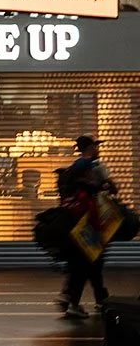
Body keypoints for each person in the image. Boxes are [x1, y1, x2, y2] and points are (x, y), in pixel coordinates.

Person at [58, 135, 119, 321]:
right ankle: (73, 300)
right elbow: (112, 189)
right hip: (90, 222)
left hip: (78, 221)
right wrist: (108, 186)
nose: (97, 148)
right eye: (95, 145)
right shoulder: (93, 166)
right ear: (90, 147)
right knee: (88, 263)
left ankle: (94, 299)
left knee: (90, 262)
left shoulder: (75, 167)